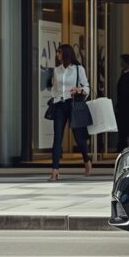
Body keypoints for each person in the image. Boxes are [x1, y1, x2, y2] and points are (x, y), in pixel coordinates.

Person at [48, 44, 92, 181]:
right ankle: (55, 170)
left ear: (66, 54)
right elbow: (54, 88)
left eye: (59, 52)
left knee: (79, 138)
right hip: (60, 105)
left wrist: (78, 90)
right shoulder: (56, 70)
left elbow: (87, 87)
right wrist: (55, 98)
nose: (57, 55)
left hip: (73, 104)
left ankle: (87, 160)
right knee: (57, 138)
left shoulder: (78, 69)